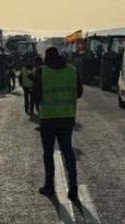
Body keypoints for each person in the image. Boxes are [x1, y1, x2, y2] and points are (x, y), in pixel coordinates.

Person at [32, 46, 83, 201]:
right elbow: (79, 92)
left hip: (48, 119)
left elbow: (36, 95)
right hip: (67, 117)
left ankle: (49, 186)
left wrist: (39, 109)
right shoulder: (72, 70)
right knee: (67, 151)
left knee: (48, 153)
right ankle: (73, 185)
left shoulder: (42, 71)